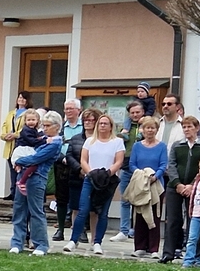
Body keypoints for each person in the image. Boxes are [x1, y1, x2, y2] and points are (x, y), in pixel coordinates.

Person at [63, 114, 125, 255]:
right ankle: (73, 240)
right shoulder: (90, 141)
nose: (102, 126)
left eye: (105, 123)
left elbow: (118, 161)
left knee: (102, 213)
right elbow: (83, 160)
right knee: (83, 210)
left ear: (111, 127)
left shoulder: (117, 142)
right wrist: (90, 173)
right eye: (100, 123)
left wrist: (107, 173)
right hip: (90, 179)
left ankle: (97, 242)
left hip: (107, 181)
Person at [8, 111, 63, 255]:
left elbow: (36, 158)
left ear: (57, 127)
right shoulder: (43, 138)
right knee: (19, 209)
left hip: (37, 178)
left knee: (36, 212)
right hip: (23, 175)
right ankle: (17, 243)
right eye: (43, 125)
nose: (44, 128)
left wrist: (18, 160)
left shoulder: (55, 143)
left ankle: (41, 245)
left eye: (48, 126)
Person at [160, 115, 200, 264]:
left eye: (189, 127)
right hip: (175, 187)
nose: (187, 130)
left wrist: (192, 184)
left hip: (195, 188)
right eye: (184, 127)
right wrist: (177, 184)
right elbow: (172, 165)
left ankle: (193, 254)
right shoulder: (177, 145)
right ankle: (168, 253)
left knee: (193, 221)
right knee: (172, 220)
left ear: (197, 128)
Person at [126, 117, 168, 258]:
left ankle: (153, 248)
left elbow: (163, 164)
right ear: (142, 130)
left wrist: (155, 176)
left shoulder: (162, 146)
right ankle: (139, 247)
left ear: (156, 130)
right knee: (139, 215)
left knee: (155, 216)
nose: (149, 130)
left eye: (152, 128)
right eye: (147, 128)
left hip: (156, 185)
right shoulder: (137, 146)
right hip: (140, 185)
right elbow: (132, 164)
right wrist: (141, 175)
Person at [52, 100, 86, 241]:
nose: (68, 111)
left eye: (71, 108)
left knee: (79, 199)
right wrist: (62, 158)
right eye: (66, 109)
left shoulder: (84, 127)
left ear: (79, 110)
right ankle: (60, 229)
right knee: (61, 199)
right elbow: (53, 145)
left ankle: (81, 229)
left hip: (79, 166)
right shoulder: (60, 127)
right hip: (62, 166)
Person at [111, 100, 145, 242]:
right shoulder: (126, 127)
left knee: (140, 201)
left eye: (138, 112)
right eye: (132, 113)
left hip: (141, 166)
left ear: (143, 112)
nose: (135, 115)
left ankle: (137, 230)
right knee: (125, 199)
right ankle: (123, 231)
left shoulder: (146, 126)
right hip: (126, 165)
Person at [1, 91, 32, 199]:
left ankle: (19, 192)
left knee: (20, 169)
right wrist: (5, 135)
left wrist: (15, 134)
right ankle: (12, 191)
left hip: (20, 144)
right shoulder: (11, 113)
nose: (21, 100)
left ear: (27, 100)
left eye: (23, 98)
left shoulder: (28, 113)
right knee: (11, 169)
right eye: (19, 98)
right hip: (10, 146)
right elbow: (5, 125)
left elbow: (26, 128)